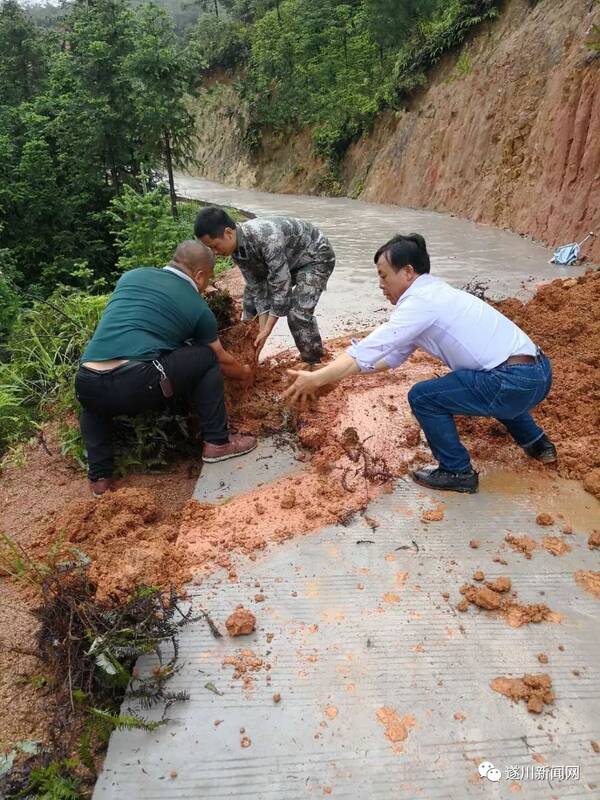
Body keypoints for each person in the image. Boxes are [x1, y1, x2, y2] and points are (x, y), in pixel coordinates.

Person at [283, 233, 557, 494]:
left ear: (408, 272)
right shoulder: (436, 294)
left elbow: (371, 347)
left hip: (512, 383)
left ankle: (457, 471)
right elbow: (390, 357)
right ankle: (538, 444)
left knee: (424, 397)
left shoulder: (419, 303)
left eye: (383, 275)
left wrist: (317, 379)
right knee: (485, 382)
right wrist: (333, 374)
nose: (380, 284)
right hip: (539, 375)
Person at [76, 240, 257, 497]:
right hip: (136, 383)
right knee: (205, 357)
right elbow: (221, 358)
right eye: (207, 280)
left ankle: (99, 479)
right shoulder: (198, 307)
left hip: (86, 380)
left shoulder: (132, 276)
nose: (205, 288)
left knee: (93, 404)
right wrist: (246, 373)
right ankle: (218, 442)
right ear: (199, 275)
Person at [194, 207, 335, 365]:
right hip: (291, 261)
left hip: (316, 257)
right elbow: (258, 288)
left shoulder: (267, 237)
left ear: (228, 233)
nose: (214, 252)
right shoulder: (236, 249)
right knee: (249, 301)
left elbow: (281, 287)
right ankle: (250, 352)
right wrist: (261, 331)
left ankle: (313, 360)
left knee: (297, 314)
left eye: (215, 246)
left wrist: (267, 330)